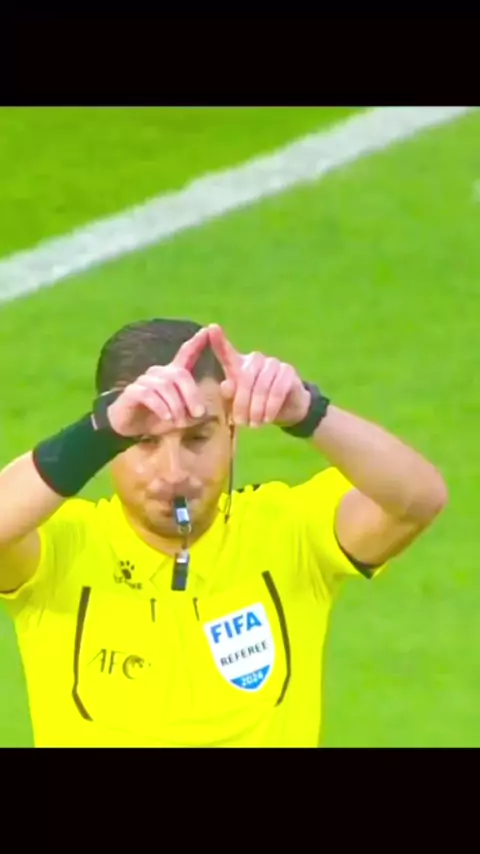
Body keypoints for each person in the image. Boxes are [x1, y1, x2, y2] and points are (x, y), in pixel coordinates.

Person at [0, 318, 447, 748]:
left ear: (231, 434)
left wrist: (307, 411)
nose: (174, 472)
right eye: (143, 441)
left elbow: (418, 500)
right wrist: (99, 431)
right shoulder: (62, 551)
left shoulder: (292, 532)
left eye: (197, 439)